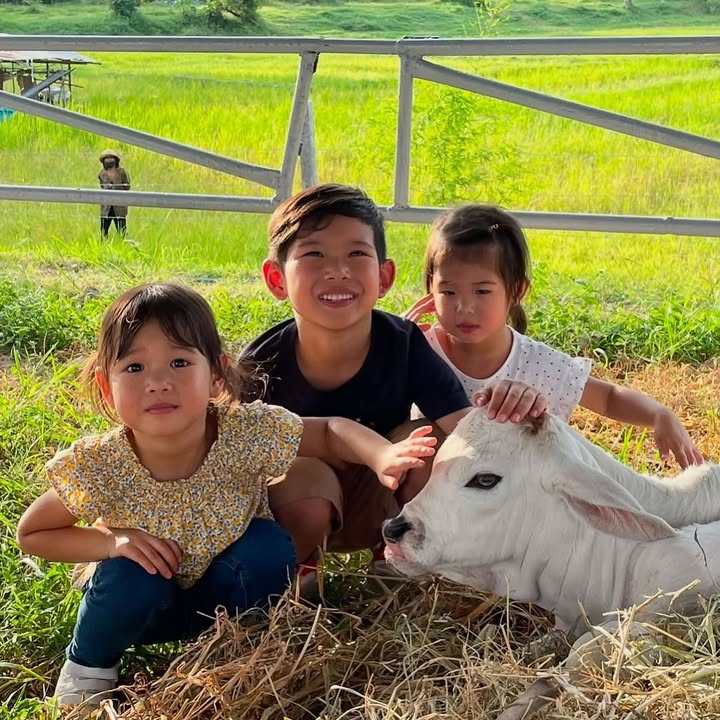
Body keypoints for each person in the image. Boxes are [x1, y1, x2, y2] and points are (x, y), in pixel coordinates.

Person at [15, 282, 438, 709]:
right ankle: (89, 666)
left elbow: (329, 430)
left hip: (221, 597)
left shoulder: (242, 432)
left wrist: (381, 453)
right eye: (134, 367)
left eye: (179, 362)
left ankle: (240, 646)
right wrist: (113, 541)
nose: (158, 382)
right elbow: (33, 532)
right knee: (129, 573)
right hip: (136, 608)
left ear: (216, 374)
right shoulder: (102, 463)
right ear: (107, 386)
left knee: (267, 546)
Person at [240, 184, 547, 573]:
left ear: (384, 277)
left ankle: (397, 555)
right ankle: (298, 569)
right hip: (300, 501)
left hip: (382, 491)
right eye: (314, 254)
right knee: (302, 475)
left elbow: (465, 428)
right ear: (276, 279)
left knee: (430, 442)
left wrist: (516, 412)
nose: (338, 271)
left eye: (356, 254)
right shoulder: (260, 364)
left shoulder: (404, 344)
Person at [405, 202, 703, 468]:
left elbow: (607, 398)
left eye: (482, 291)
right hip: (432, 497)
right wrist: (394, 339)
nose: (464, 307)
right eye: (448, 292)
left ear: (517, 291)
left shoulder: (536, 363)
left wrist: (658, 414)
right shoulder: (418, 349)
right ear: (430, 288)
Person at [98, 150, 131, 238]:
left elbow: (127, 186)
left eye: (111, 158)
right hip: (106, 207)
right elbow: (102, 187)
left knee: (122, 230)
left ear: (116, 160)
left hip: (119, 206)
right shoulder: (102, 174)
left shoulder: (122, 172)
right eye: (107, 158)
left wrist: (117, 187)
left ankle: (123, 244)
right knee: (103, 231)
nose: (109, 160)